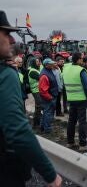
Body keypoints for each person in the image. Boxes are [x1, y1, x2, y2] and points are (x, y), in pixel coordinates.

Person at [0, 10, 62, 187]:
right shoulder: (5, 74)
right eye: (5, 33)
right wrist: (50, 174)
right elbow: (18, 131)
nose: (12, 40)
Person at [63, 52, 87, 151]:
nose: (83, 61)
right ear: (78, 60)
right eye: (82, 59)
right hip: (81, 99)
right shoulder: (81, 70)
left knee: (71, 121)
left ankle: (70, 142)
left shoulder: (66, 69)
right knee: (82, 122)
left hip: (71, 98)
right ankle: (82, 144)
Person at [39, 58, 58, 133]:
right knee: (48, 113)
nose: (53, 64)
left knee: (46, 113)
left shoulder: (48, 71)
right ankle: (47, 129)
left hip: (50, 96)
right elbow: (43, 91)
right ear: (46, 65)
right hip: (48, 98)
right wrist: (50, 98)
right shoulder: (44, 75)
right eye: (51, 64)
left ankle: (43, 127)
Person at [28, 57, 42, 127]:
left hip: (37, 90)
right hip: (36, 91)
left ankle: (36, 122)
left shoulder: (35, 69)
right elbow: (41, 78)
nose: (38, 63)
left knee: (38, 106)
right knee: (39, 106)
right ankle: (36, 122)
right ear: (33, 63)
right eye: (37, 62)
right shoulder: (33, 71)